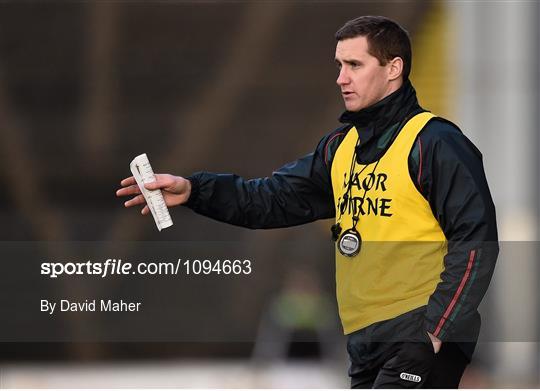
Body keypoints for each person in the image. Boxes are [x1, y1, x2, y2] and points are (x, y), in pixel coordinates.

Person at [117, 16, 498, 388]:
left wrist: (436, 330)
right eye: (339, 65)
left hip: (419, 331)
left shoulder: (434, 142)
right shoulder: (339, 147)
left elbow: (476, 239)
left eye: (354, 64)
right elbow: (269, 199)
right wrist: (194, 190)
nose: (341, 78)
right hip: (365, 338)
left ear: (393, 68)